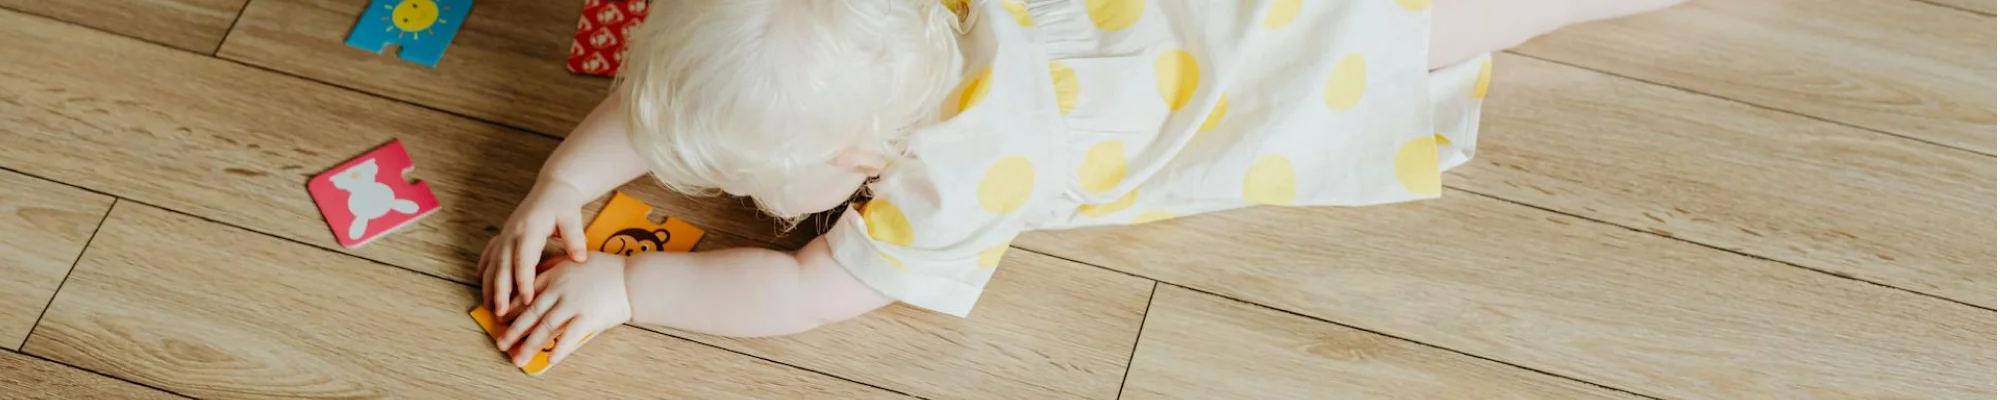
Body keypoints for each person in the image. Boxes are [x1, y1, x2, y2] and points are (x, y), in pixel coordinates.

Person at [479, 0, 1687, 368]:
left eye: (737, 178)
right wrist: (558, 178)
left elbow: (808, 292)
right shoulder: (877, 24)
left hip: (1289, 60)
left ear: (853, 165)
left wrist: (637, 297)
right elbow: (694, 92)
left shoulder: (949, 183)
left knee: (1482, 19)